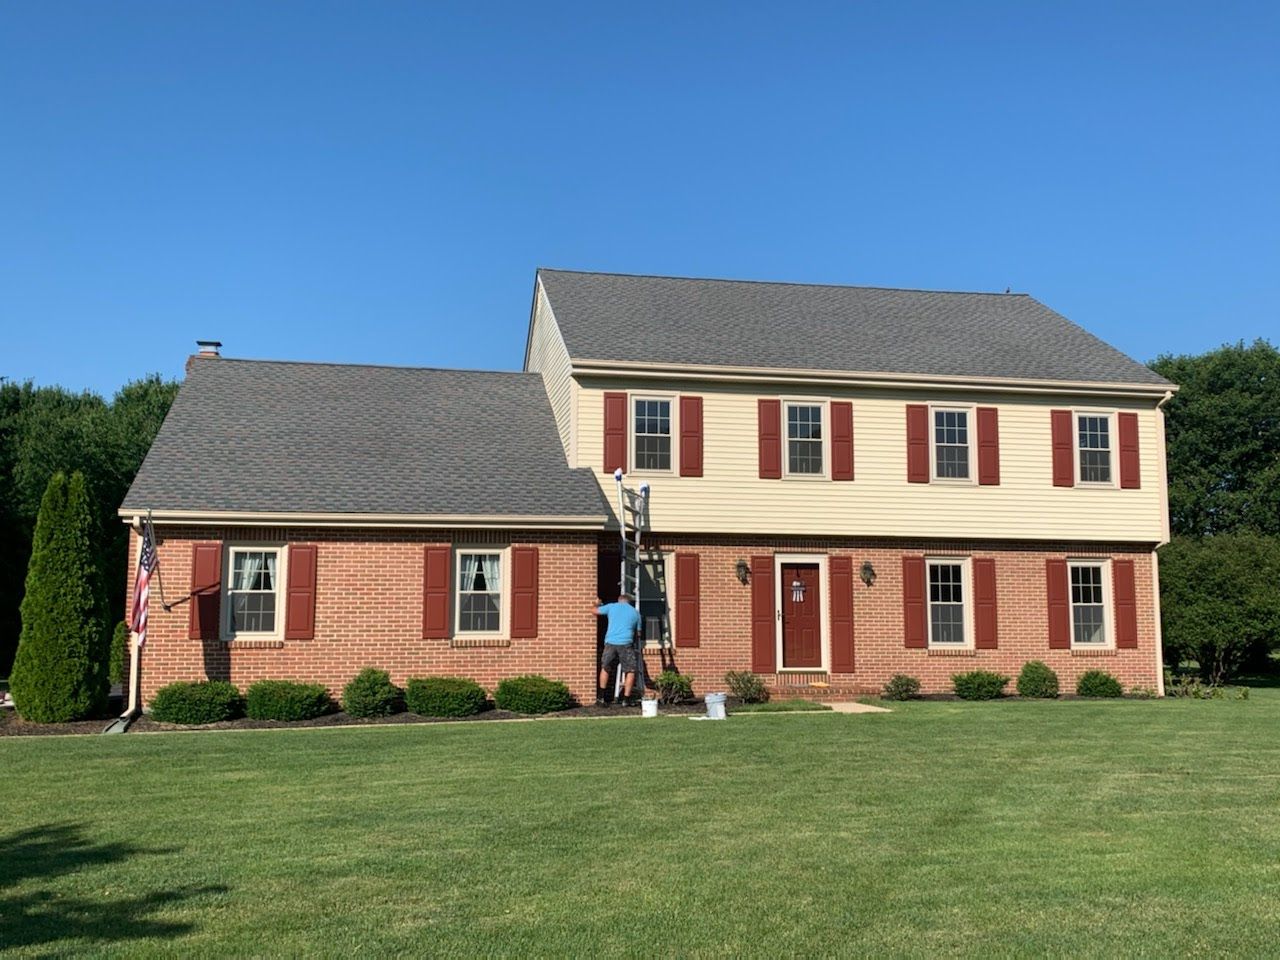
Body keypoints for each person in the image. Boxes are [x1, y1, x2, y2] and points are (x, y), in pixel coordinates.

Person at [594, 592, 642, 705]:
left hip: (610, 642)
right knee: (630, 671)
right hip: (626, 643)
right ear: (630, 602)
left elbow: (594, 611)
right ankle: (626, 700)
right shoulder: (635, 613)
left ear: (619, 599)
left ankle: (601, 698)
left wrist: (596, 604)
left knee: (605, 667)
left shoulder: (611, 606)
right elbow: (639, 633)